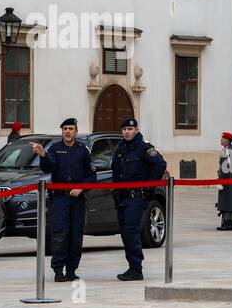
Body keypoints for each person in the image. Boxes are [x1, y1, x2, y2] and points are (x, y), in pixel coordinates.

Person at [32, 118, 96, 282]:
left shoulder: (82, 150)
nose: (67, 131)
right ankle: (58, 270)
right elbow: (49, 167)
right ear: (62, 132)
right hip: (60, 198)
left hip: (77, 199)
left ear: (76, 132)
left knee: (76, 234)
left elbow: (91, 175)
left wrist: (81, 187)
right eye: (65, 129)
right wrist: (43, 155)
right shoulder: (54, 149)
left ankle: (72, 269)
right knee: (60, 234)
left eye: (71, 129)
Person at [111, 117, 167, 281]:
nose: (126, 132)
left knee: (131, 231)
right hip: (122, 197)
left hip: (136, 197)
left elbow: (160, 165)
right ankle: (132, 267)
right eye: (124, 130)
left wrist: (148, 186)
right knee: (125, 233)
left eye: (129, 129)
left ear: (136, 130)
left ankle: (136, 269)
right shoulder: (121, 148)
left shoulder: (144, 147)